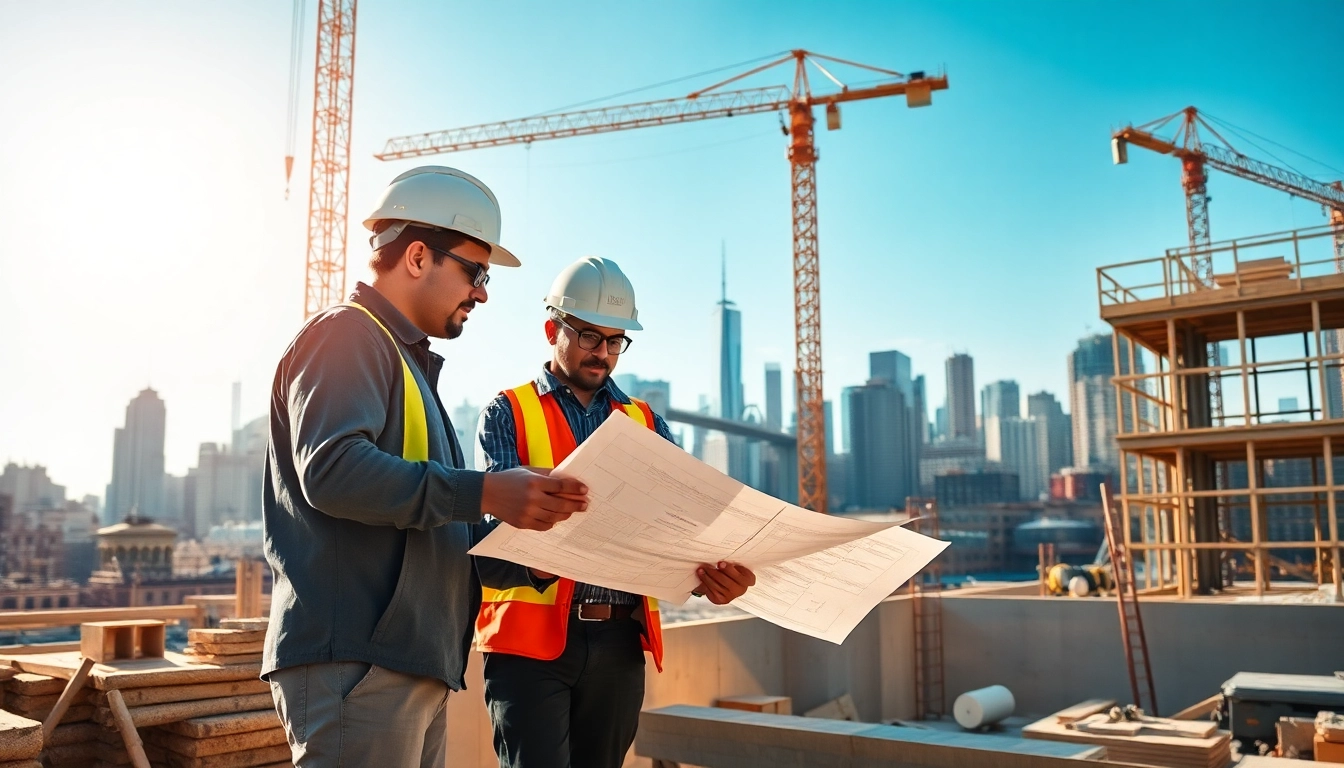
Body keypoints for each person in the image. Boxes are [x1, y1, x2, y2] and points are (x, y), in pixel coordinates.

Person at [262, 166, 590, 767]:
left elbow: (434, 531)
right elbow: (332, 471)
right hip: (359, 664)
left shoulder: (406, 367)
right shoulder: (347, 335)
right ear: (417, 256)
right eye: (476, 271)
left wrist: (537, 551)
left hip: (406, 665)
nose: (483, 293)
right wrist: (487, 491)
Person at [474, 256, 757, 768]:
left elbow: (676, 532)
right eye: (588, 336)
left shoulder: (646, 422)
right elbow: (488, 542)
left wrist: (710, 578)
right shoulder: (508, 412)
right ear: (551, 329)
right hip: (529, 651)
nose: (602, 353)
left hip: (619, 644)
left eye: (615, 340)